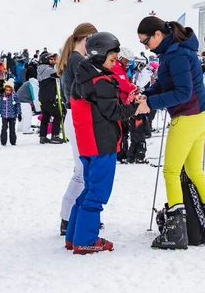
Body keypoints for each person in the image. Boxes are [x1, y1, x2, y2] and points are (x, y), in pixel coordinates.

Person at [137, 16, 205, 249]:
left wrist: (151, 104)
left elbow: (183, 93)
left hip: (188, 116)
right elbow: (167, 84)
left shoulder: (176, 55)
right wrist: (147, 94)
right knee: (194, 170)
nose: (146, 47)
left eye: (146, 42)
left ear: (158, 35)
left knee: (171, 172)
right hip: (201, 114)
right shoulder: (173, 52)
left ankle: (176, 232)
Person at [65, 32, 147, 254]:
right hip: (101, 144)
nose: (114, 64)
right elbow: (113, 112)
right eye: (111, 60)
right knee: (98, 192)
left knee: (89, 189)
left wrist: (127, 101)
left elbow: (100, 107)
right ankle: (86, 239)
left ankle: (74, 235)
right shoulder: (100, 81)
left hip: (88, 142)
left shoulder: (85, 75)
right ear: (99, 56)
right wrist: (136, 108)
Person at [56, 23, 99, 235]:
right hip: (77, 117)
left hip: (74, 117)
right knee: (82, 171)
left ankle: (73, 215)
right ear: (87, 38)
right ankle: (68, 217)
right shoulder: (78, 60)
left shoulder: (73, 59)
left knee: (82, 170)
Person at [38, 53, 63, 144]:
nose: (53, 60)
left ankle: (43, 136)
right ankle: (55, 135)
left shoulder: (41, 68)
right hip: (48, 97)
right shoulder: (48, 70)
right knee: (57, 115)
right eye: (51, 59)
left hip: (43, 97)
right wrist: (60, 63)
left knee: (46, 117)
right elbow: (59, 73)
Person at [0, 80, 21, 146]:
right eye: (6, 90)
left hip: (12, 116)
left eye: (9, 90)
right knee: (4, 128)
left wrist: (19, 114)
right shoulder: (2, 96)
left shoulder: (14, 96)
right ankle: (3, 141)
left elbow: (18, 105)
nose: (7, 91)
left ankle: (13, 141)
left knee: (12, 128)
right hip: (4, 115)